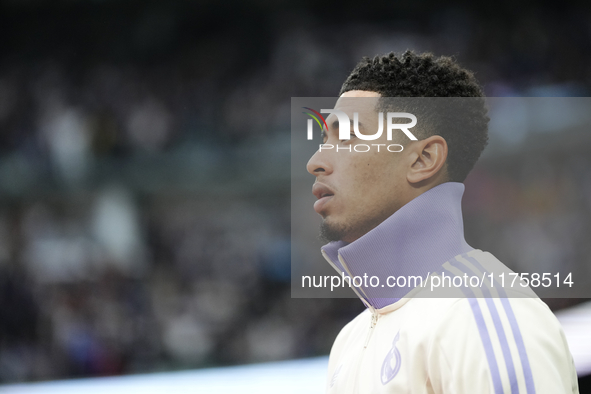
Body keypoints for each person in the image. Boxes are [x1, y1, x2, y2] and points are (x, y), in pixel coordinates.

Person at [306, 51, 578, 393]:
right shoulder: (350, 339)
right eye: (323, 141)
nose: (315, 161)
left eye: (347, 138)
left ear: (423, 159)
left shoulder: (483, 311)